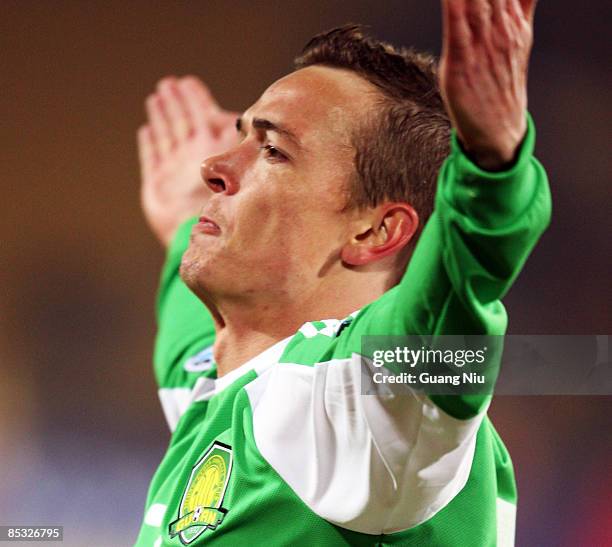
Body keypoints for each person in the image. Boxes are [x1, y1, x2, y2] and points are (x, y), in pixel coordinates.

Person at [135, 1, 550, 545]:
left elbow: (460, 285)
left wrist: (493, 171)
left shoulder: (362, 403)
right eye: (239, 138)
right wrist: (189, 224)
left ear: (375, 231)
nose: (213, 168)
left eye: (273, 150)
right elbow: (190, 347)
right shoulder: (222, 387)